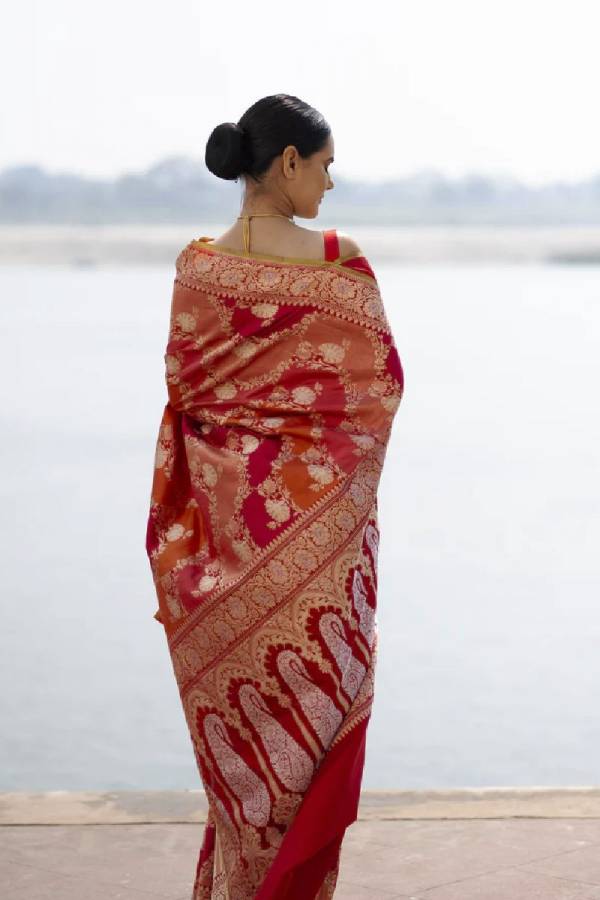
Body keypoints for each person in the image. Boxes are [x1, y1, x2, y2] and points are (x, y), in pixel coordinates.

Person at [145, 93, 404, 900]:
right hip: (316, 562)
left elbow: (187, 401)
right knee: (308, 754)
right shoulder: (337, 259)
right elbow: (377, 393)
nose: (330, 185)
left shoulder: (197, 268)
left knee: (247, 769)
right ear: (289, 162)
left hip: (220, 566)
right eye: (324, 167)